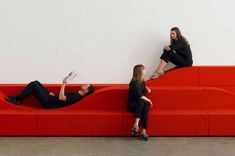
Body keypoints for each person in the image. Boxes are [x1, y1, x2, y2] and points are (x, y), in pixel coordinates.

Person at [5, 76, 94, 108]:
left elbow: (62, 98)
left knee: (33, 84)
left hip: (48, 103)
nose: (84, 84)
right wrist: (53, 95)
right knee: (36, 82)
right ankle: (18, 99)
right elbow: (60, 98)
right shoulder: (77, 94)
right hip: (51, 98)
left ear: (86, 91)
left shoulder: (77, 96)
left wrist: (63, 84)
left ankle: (18, 99)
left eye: (86, 85)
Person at [127, 64, 152, 141]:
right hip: (132, 104)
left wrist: (146, 88)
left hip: (140, 105)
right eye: (143, 69)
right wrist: (149, 100)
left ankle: (139, 128)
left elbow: (143, 92)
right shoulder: (133, 83)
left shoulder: (142, 82)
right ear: (139, 71)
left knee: (144, 106)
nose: (145, 71)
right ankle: (139, 127)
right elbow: (139, 95)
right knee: (142, 103)